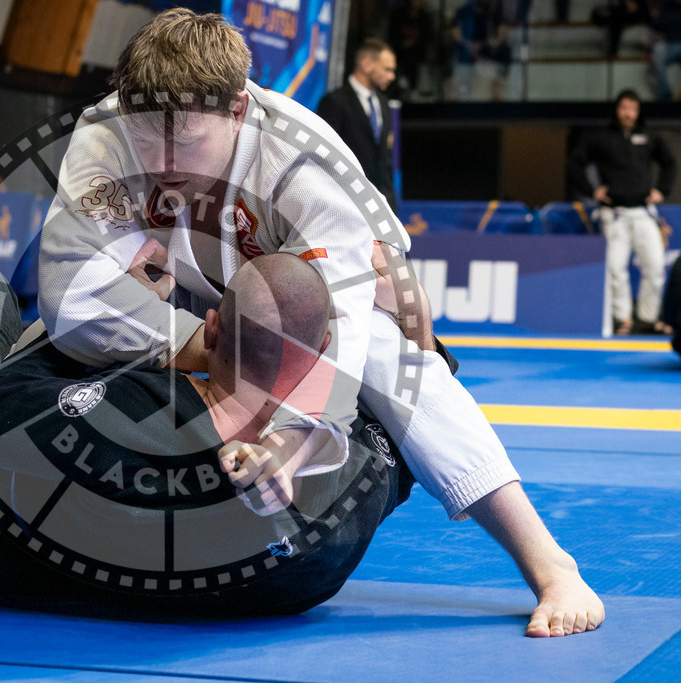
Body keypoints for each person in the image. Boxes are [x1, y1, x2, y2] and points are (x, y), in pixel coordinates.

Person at [35, 8, 602, 636]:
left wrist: (295, 436)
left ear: (238, 111)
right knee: (36, 344)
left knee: (393, 359)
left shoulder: (304, 164)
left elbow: (348, 328)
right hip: (188, 299)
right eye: (148, 140)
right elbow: (70, 296)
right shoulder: (105, 133)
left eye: (188, 142)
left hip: (314, 290)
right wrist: (205, 344)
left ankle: (551, 565)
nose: (164, 163)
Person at [0, 251, 419, 616]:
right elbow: (406, 436)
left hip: (14, 557)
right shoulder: (345, 483)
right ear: (326, 349)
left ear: (208, 330)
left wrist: (103, 321)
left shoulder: (139, 404)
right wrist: (411, 330)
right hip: (253, 598)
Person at [568, 89, 677, 335]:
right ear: (617, 110)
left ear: (638, 112)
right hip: (613, 214)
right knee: (616, 269)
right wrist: (591, 190)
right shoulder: (601, 138)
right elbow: (575, 162)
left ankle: (648, 319)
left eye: (633, 109)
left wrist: (663, 190)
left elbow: (669, 162)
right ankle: (623, 319)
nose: (628, 113)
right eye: (624, 108)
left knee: (656, 266)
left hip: (643, 212)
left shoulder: (649, 136)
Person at [317, 38, 398, 211]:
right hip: (346, 205)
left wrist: (391, 206)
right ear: (367, 64)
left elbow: (384, 159)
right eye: (387, 69)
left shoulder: (383, 103)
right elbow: (324, 156)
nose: (392, 76)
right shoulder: (334, 102)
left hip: (382, 207)